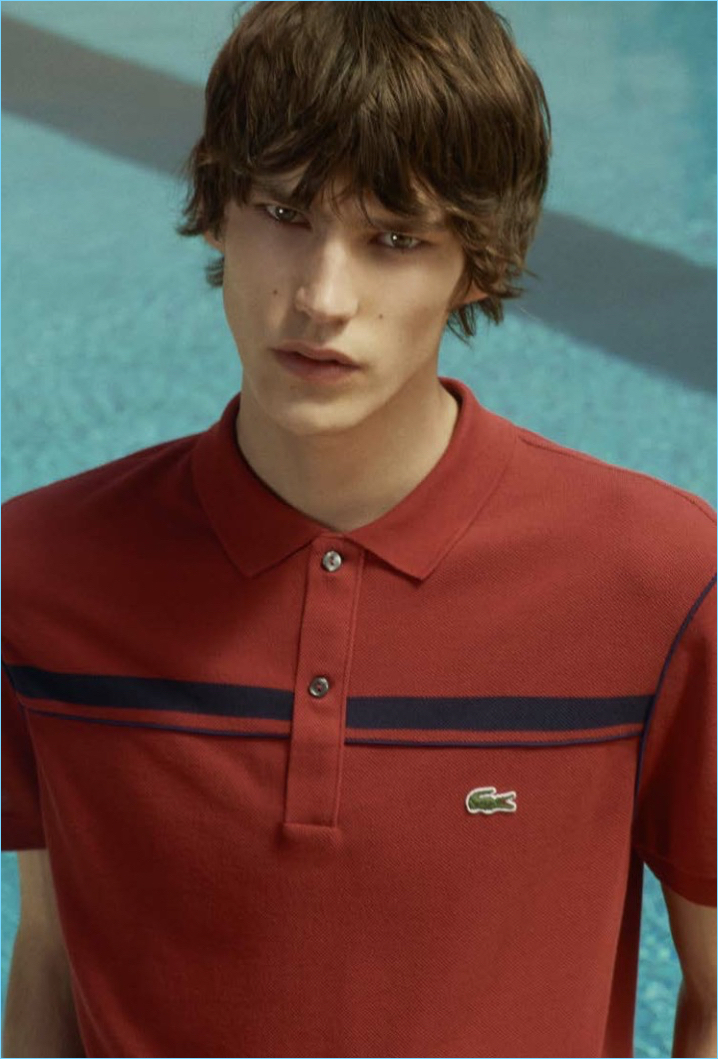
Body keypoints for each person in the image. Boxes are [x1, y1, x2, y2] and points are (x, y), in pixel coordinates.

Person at [2, 2, 715, 1056]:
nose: (322, 297)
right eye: (285, 213)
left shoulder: (656, 582)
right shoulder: (39, 573)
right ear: (217, 210)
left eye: (395, 239)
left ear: (476, 261)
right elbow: (54, 954)